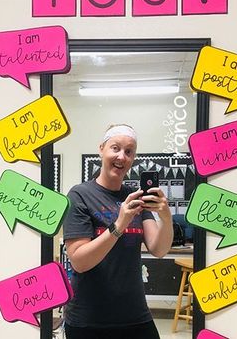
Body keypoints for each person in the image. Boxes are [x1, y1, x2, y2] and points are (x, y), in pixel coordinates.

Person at [62, 124, 173, 339]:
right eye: (115, 148)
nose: (121, 157)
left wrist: (166, 217)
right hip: (89, 320)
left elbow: (158, 249)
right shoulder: (79, 195)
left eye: (129, 151)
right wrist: (118, 225)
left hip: (135, 315)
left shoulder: (135, 197)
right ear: (101, 149)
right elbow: (79, 262)